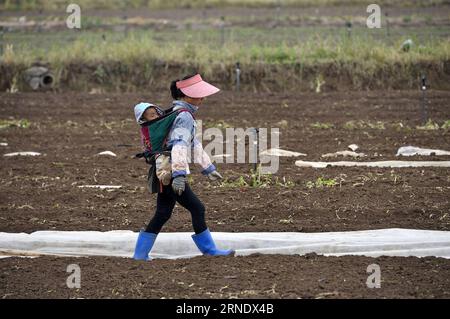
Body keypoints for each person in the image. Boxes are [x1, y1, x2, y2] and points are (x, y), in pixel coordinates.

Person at [133, 74, 234, 261]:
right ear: (186, 95)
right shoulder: (184, 116)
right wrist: (179, 175)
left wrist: (208, 168)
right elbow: (179, 145)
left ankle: (140, 254)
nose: (203, 99)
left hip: (163, 170)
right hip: (171, 172)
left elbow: (192, 143)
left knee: (163, 213)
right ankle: (209, 250)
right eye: (199, 95)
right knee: (197, 208)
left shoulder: (176, 112)